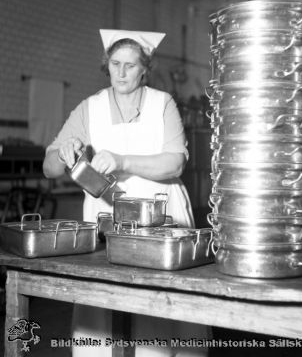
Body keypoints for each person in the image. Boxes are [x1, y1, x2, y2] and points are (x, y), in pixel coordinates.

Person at [43, 30, 208, 356]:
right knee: (96, 305)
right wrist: (64, 152)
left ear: (145, 68)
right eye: (115, 64)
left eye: (130, 66)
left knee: (159, 310)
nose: (121, 72)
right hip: (108, 221)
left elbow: (174, 163)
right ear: (107, 65)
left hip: (161, 218)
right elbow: (49, 167)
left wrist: (122, 161)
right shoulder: (90, 107)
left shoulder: (163, 104)